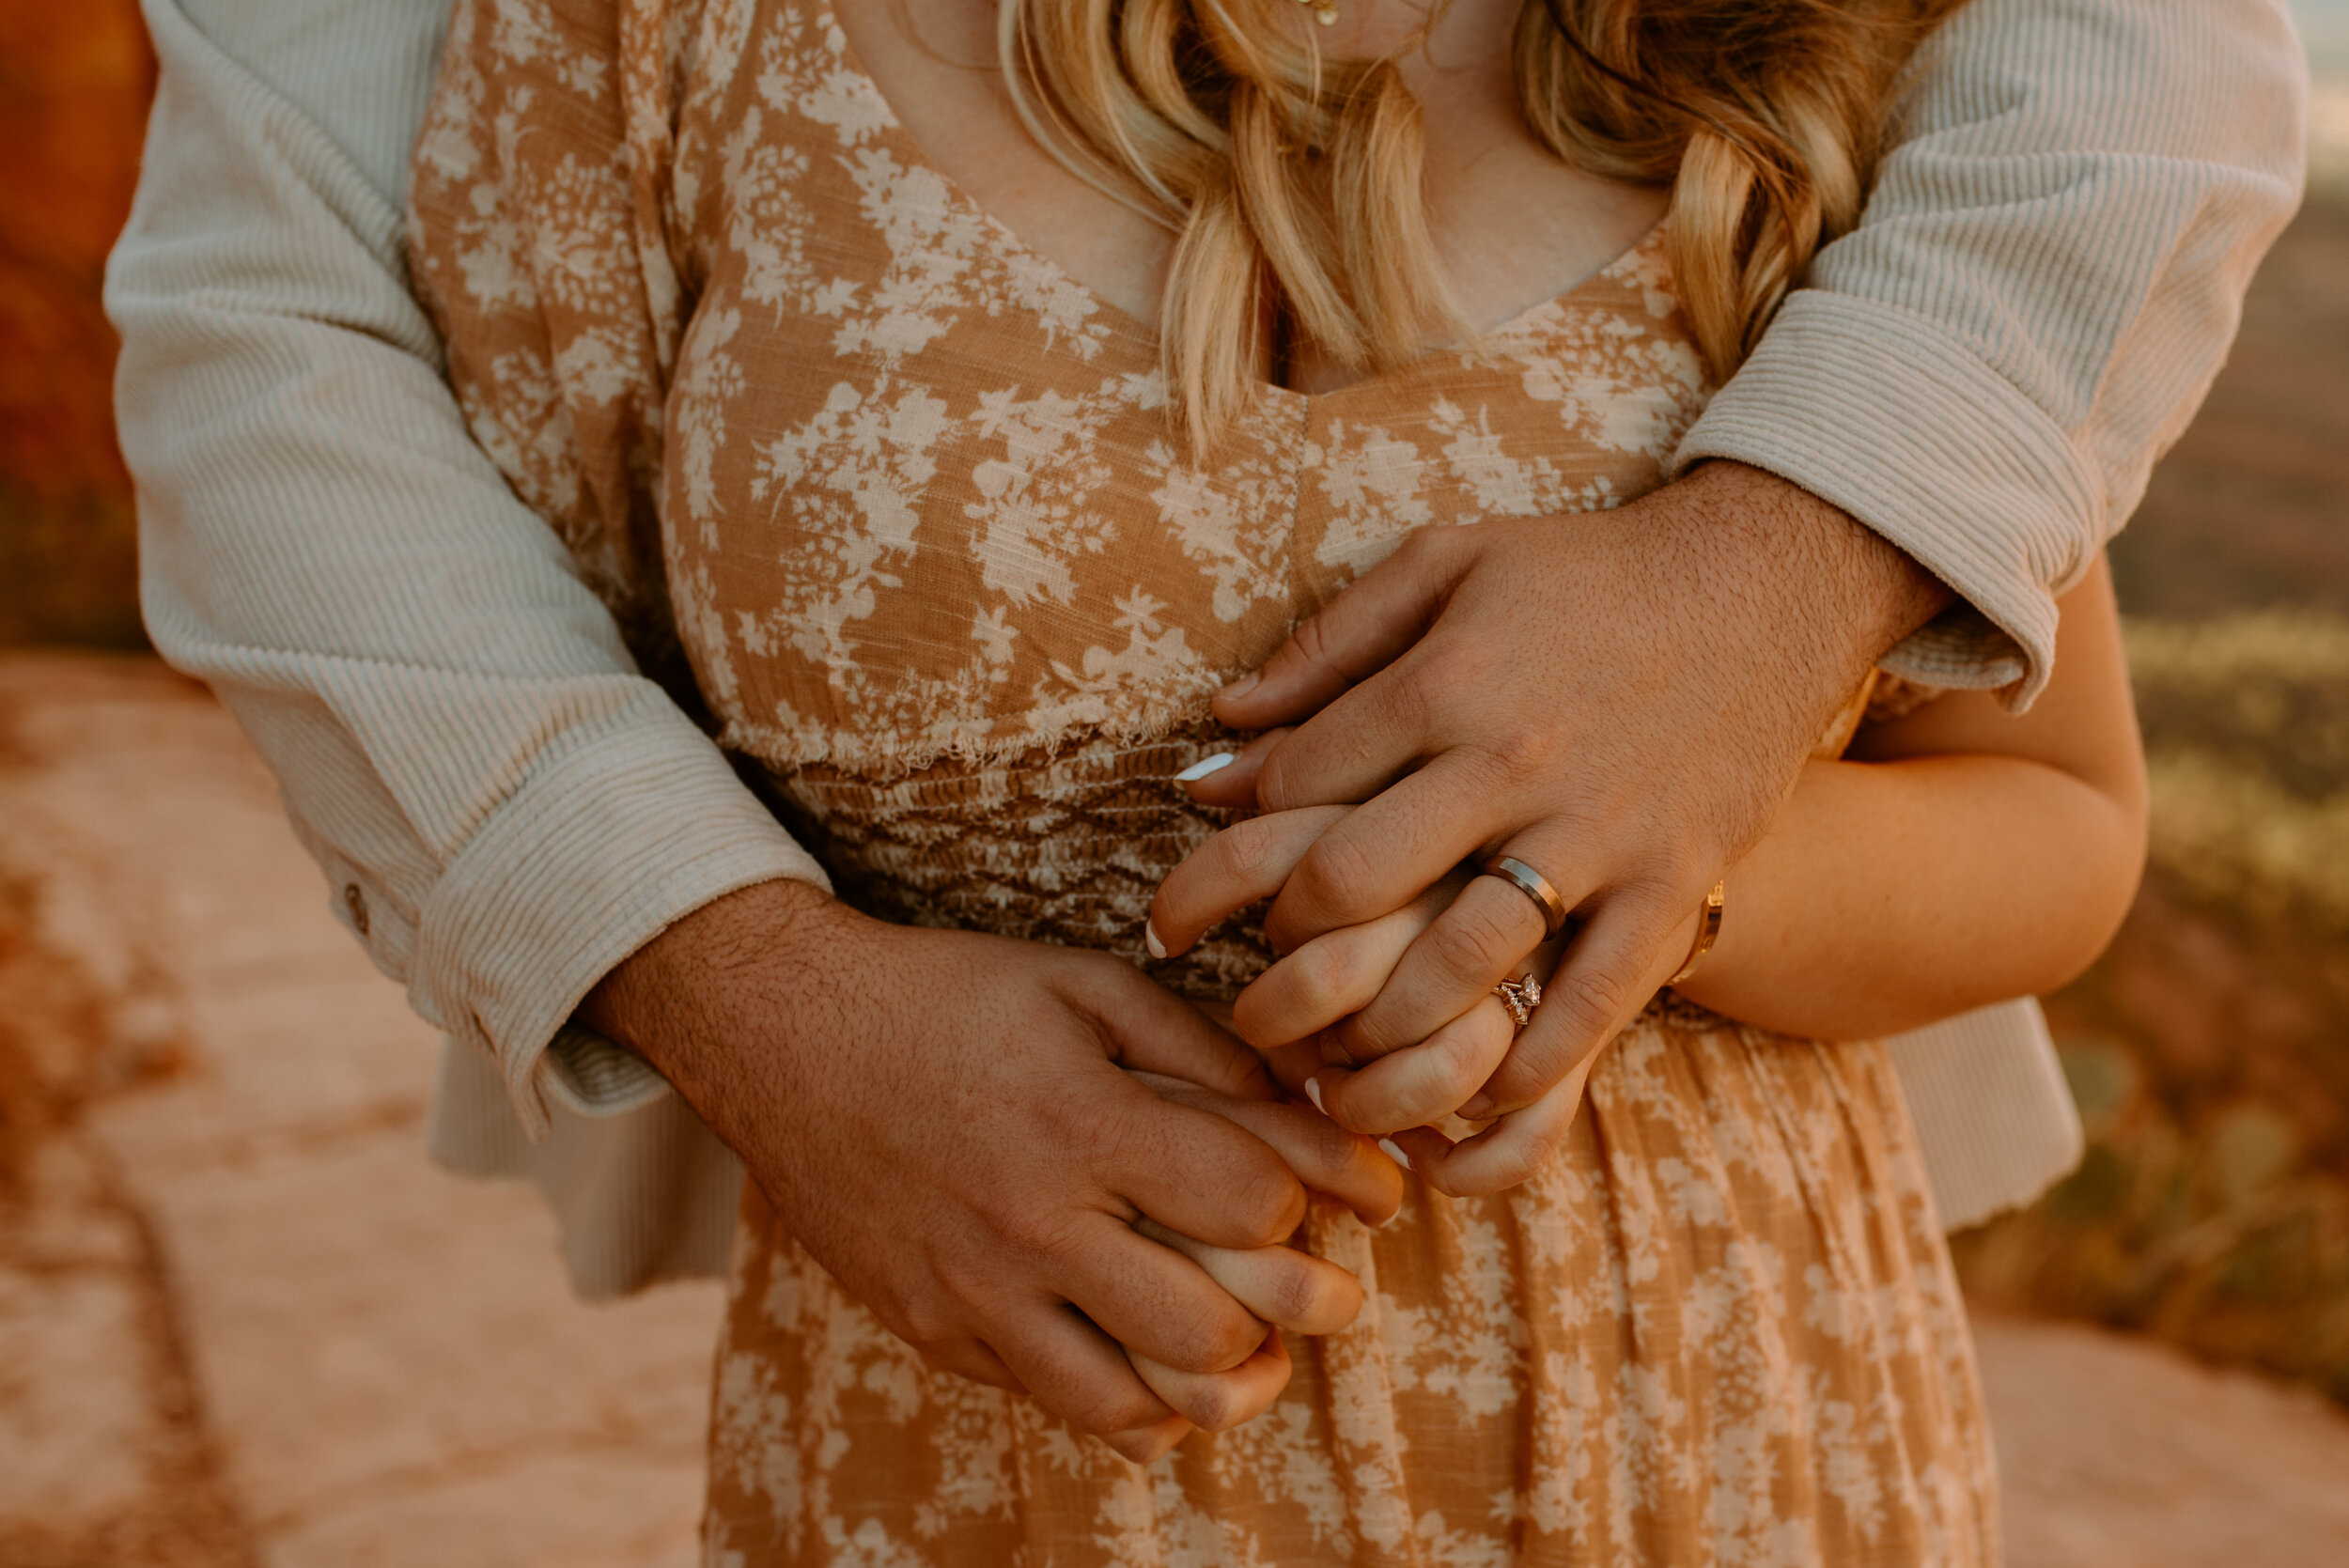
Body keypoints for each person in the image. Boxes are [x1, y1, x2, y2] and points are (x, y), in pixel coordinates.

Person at [105, 0, 2301, 1549]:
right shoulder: (637, 59)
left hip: (1739, 1457)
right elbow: (297, 426)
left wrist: (1662, 854)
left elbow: (2058, 823)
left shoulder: (1803, 60)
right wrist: (764, 999)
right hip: (983, 1481)